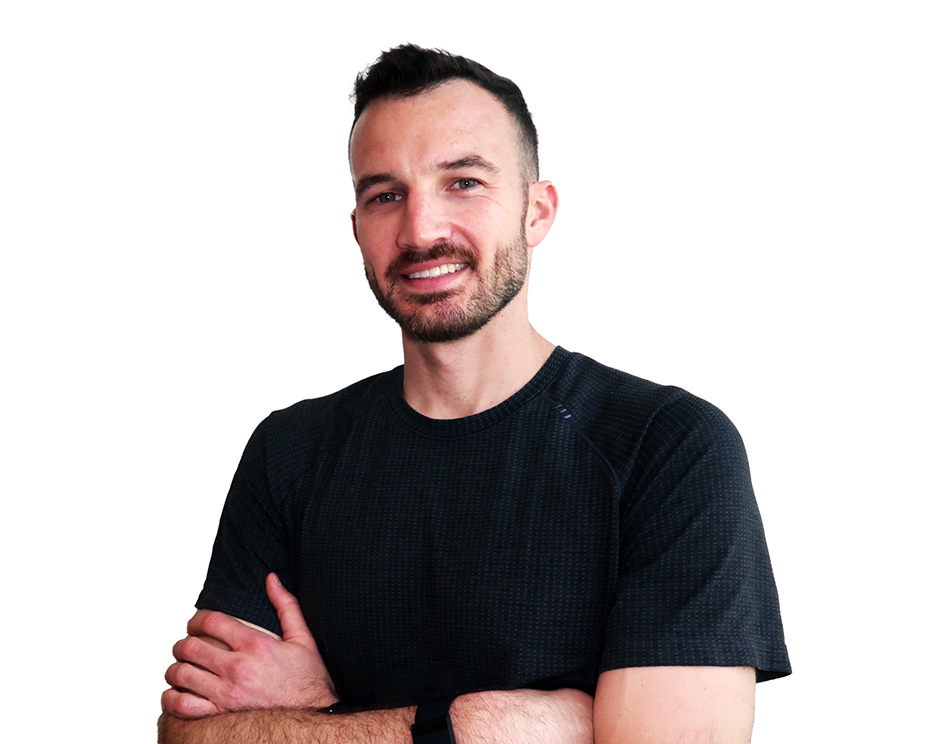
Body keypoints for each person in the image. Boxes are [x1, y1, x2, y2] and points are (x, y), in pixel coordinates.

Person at [159, 44, 790, 743]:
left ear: (536, 212)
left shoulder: (667, 448)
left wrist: (311, 719)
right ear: (357, 229)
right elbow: (189, 736)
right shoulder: (290, 453)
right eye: (385, 195)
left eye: (463, 182)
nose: (420, 229)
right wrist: (489, 725)